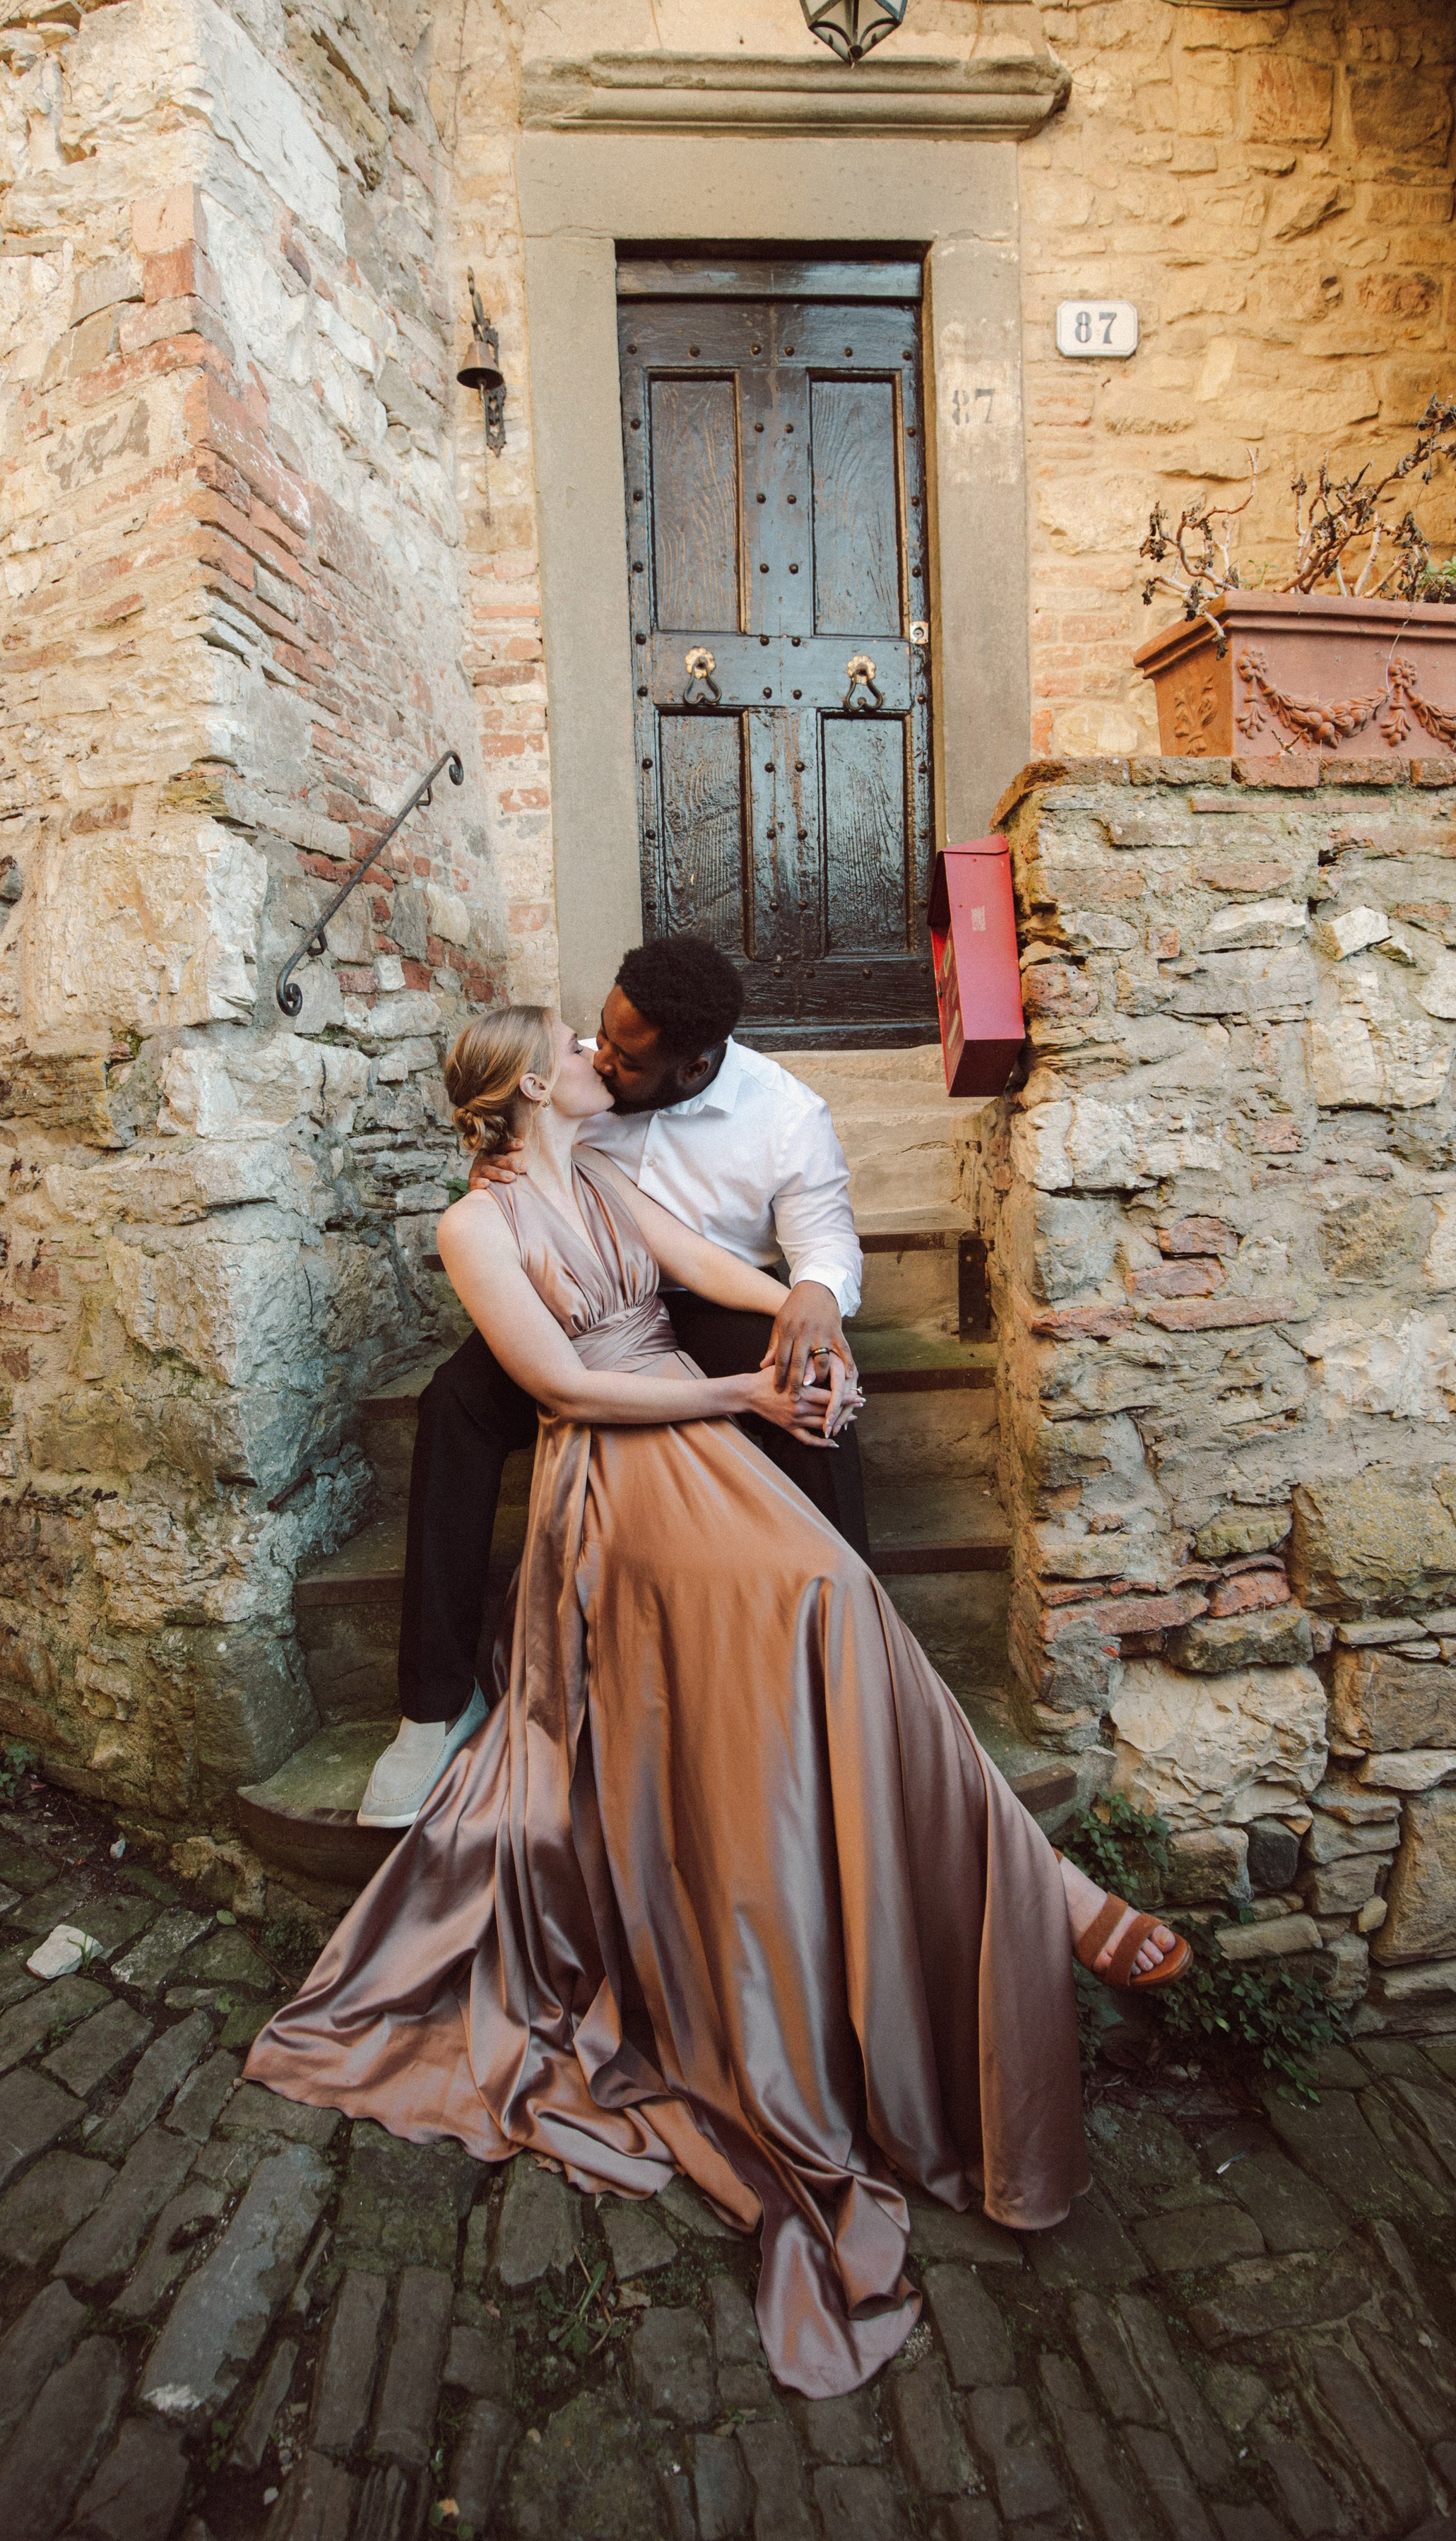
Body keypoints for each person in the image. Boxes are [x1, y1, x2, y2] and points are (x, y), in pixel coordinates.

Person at [247, 1005, 1189, 2400]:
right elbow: (562, 1381)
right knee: (812, 1596)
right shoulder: (476, 1229)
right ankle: (1038, 1882)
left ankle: (1022, 1872)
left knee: (838, 1590)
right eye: (569, 1042)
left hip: (697, 1427)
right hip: (614, 1472)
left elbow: (707, 1267)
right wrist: (744, 1395)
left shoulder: (605, 1173)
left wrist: (803, 1310)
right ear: (518, 1086)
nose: (591, 1055)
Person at [358, 935, 871, 1830]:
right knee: (452, 1404)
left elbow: (810, 1235)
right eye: (594, 1035)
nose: (599, 1055)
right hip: (572, 1303)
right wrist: (490, 1171)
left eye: (625, 1056)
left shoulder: (785, 1115)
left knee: (806, 1387)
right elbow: (514, 1124)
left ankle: (857, 1642)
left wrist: (816, 1304)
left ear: (692, 1066)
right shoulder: (586, 1088)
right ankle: (435, 1700)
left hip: (700, 1303)